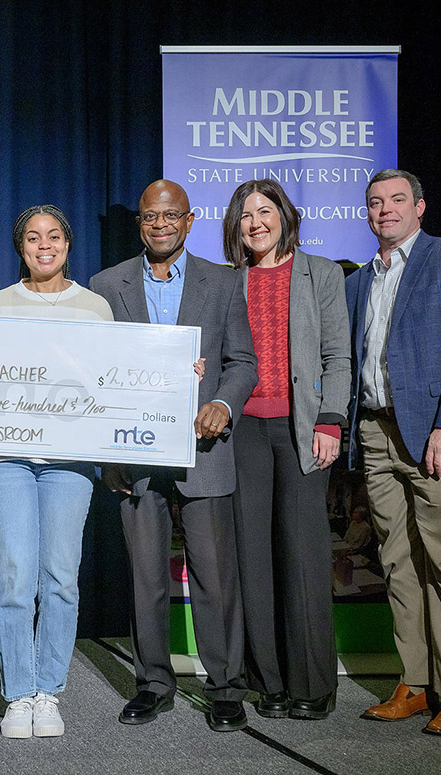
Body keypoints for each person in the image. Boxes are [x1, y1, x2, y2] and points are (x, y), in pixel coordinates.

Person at [89, 180, 258, 733]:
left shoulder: (225, 282)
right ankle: (154, 684)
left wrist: (222, 404)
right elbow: (97, 375)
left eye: (170, 217)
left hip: (204, 449)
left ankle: (226, 688)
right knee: (145, 577)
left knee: (214, 576)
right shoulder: (106, 285)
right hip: (136, 454)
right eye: (148, 217)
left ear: (189, 221)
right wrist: (105, 450)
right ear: (140, 223)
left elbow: (243, 361)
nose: (159, 225)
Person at [345, 169, 441, 736]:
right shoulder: (360, 281)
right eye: (375, 202)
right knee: (398, 562)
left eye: (397, 200)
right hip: (377, 434)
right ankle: (414, 681)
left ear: (420, 207)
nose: (385, 209)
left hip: (437, 434)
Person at [0, 205, 115, 739]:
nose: (44, 245)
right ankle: (18, 694)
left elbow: (116, 379)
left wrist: (174, 374)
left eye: (54, 236)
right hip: (2, 459)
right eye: (32, 238)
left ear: (68, 244)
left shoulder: (96, 307)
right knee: (13, 576)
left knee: (60, 577)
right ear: (20, 248)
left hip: (68, 462)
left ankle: (48, 691)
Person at [221, 179, 350, 721]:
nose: (256, 222)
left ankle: (312, 683)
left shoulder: (320, 272)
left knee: (302, 555)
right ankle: (269, 681)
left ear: (284, 216)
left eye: (265, 210)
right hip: (244, 432)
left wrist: (330, 421)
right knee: (253, 556)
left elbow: (338, 357)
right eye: (245, 214)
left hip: (303, 431)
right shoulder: (229, 281)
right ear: (235, 226)